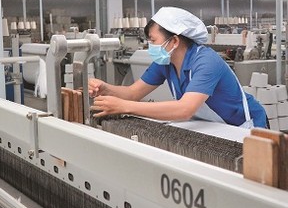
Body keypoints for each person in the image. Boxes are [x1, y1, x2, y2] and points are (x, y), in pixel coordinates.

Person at [89, 7, 267, 128]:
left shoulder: (206, 61)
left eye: (153, 40)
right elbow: (133, 93)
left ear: (174, 40)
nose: (150, 46)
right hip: (212, 126)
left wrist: (125, 107)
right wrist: (106, 88)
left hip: (243, 126)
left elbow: (185, 109)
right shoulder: (164, 61)